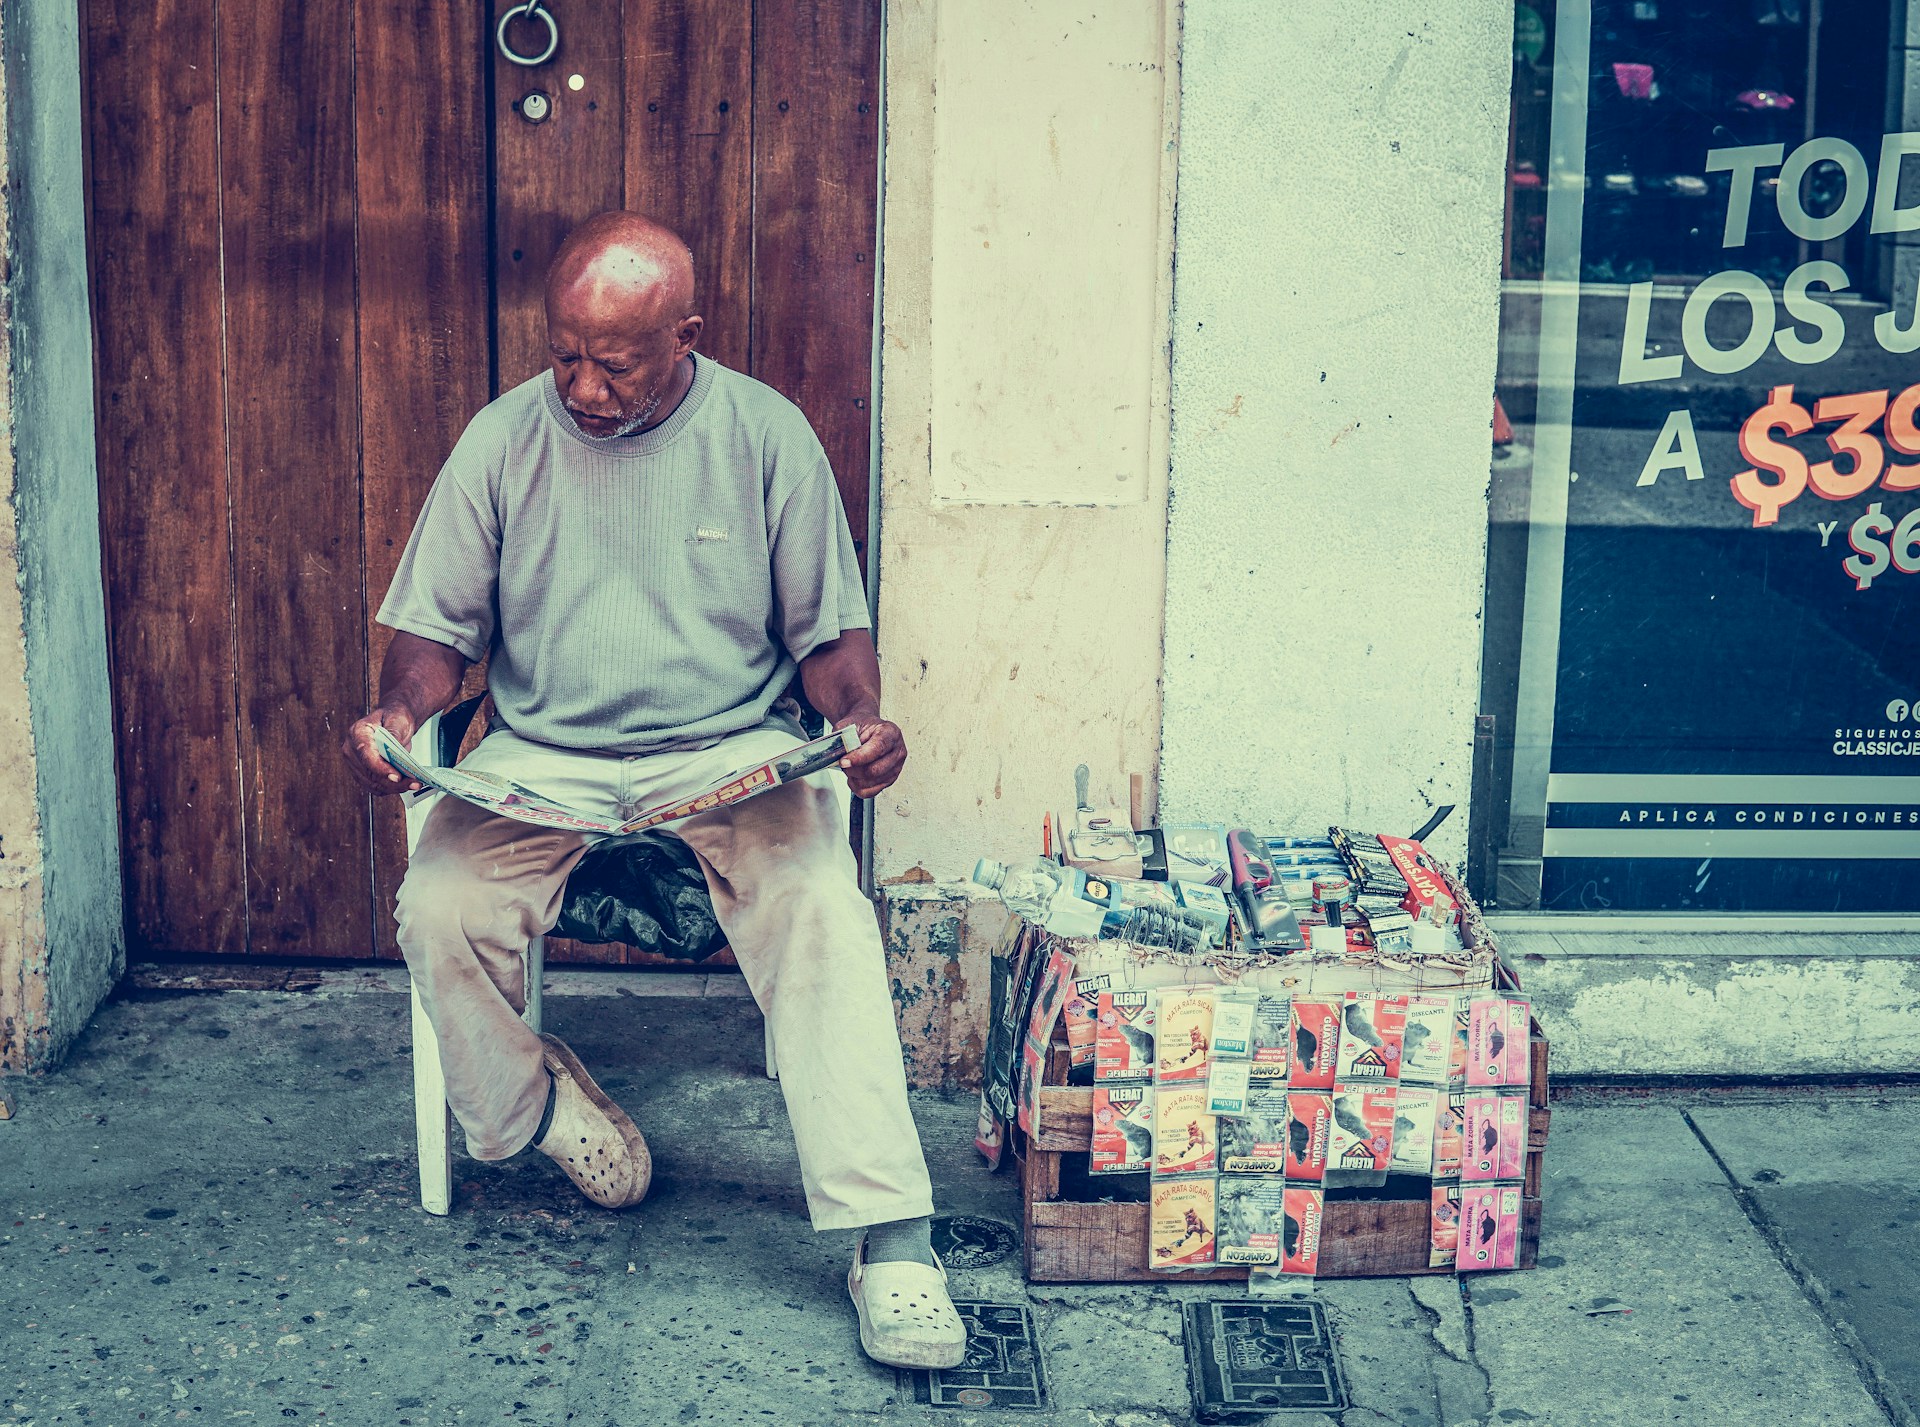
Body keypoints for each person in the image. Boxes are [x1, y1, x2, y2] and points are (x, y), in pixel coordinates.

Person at [340, 211, 966, 1371]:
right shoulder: (501, 440)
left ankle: (893, 1239)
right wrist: (397, 713)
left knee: (822, 907)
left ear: (686, 334)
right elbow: (432, 635)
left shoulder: (765, 436)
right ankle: (533, 1107)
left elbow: (829, 639)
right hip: (546, 755)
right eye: (563, 353)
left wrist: (858, 722)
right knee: (437, 904)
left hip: (724, 750)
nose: (579, 385)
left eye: (612, 363)